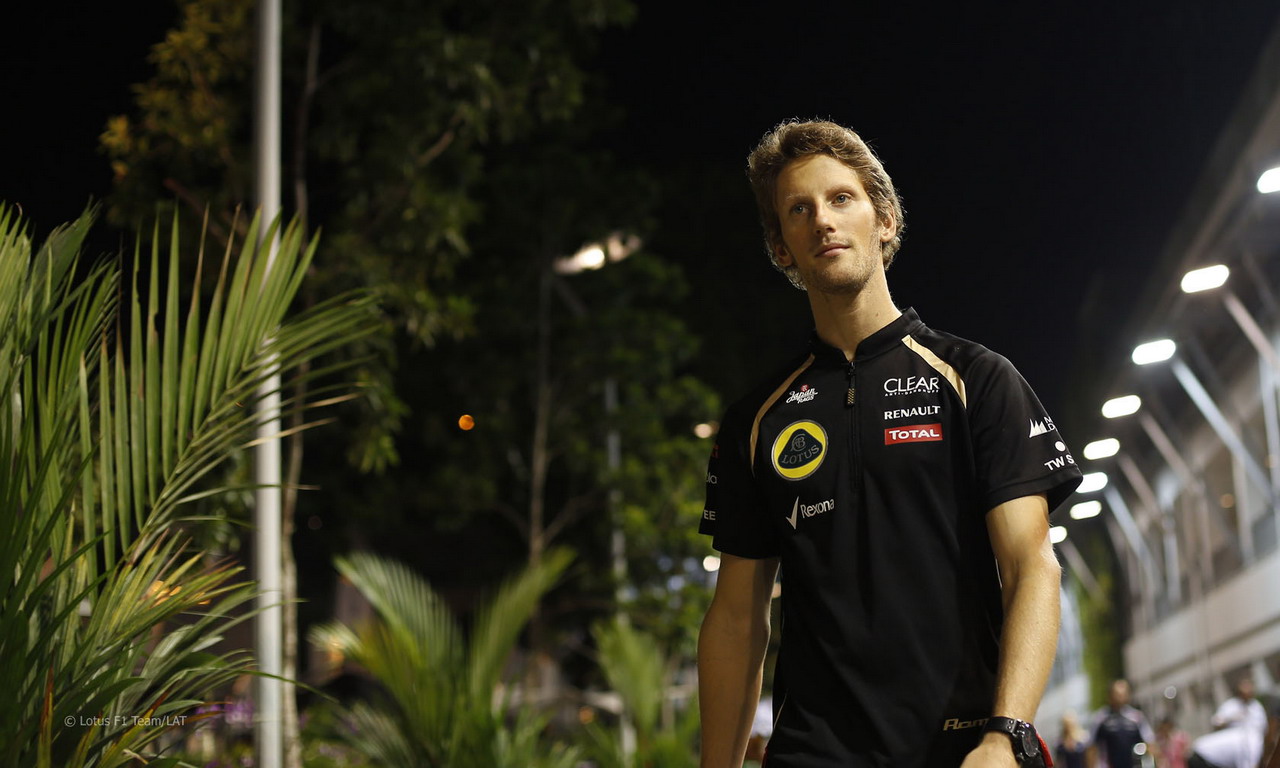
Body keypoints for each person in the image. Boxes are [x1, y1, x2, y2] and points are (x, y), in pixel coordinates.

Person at [695, 118, 1082, 767]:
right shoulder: (755, 422)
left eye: (841, 198)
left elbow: (1031, 566)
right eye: (799, 209)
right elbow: (737, 618)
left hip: (963, 750)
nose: (822, 220)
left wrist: (1006, 734)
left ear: (885, 220)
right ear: (781, 248)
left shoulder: (977, 380)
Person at [1187, 676, 1268, 768]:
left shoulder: (1256, 707)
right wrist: (1231, 719)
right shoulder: (1230, 705)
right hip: (1210, 755)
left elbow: (1262, 727)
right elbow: (1216, 722)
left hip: (1241, 747)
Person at [1087, 679, 1157, 768]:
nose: (1120, 696)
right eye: (1117, 694)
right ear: (1110, 695)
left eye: (1123, 693)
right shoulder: (1100, 718)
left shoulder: (1137, 717)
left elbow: (1150, 742)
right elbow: (1091, 747)